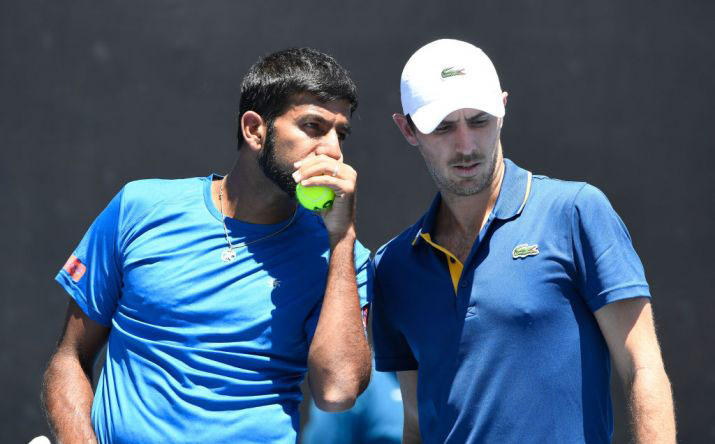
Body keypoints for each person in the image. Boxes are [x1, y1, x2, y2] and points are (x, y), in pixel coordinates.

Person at [42, 47, 372, 444]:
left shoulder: (342, 257)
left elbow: (338, 392)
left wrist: (342, 238)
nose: (334, 151)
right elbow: (69, 358)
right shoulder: (138, 207)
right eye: (314, 127)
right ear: (254, 130)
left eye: (341, 133)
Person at [371, 39, 676, 443]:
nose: (465, 145)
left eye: (479, 120)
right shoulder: (391, 265)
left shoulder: (576, 212)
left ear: (503, 107)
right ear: (407, 128)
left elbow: (643, 367)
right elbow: (415, 423)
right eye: (443, 126)